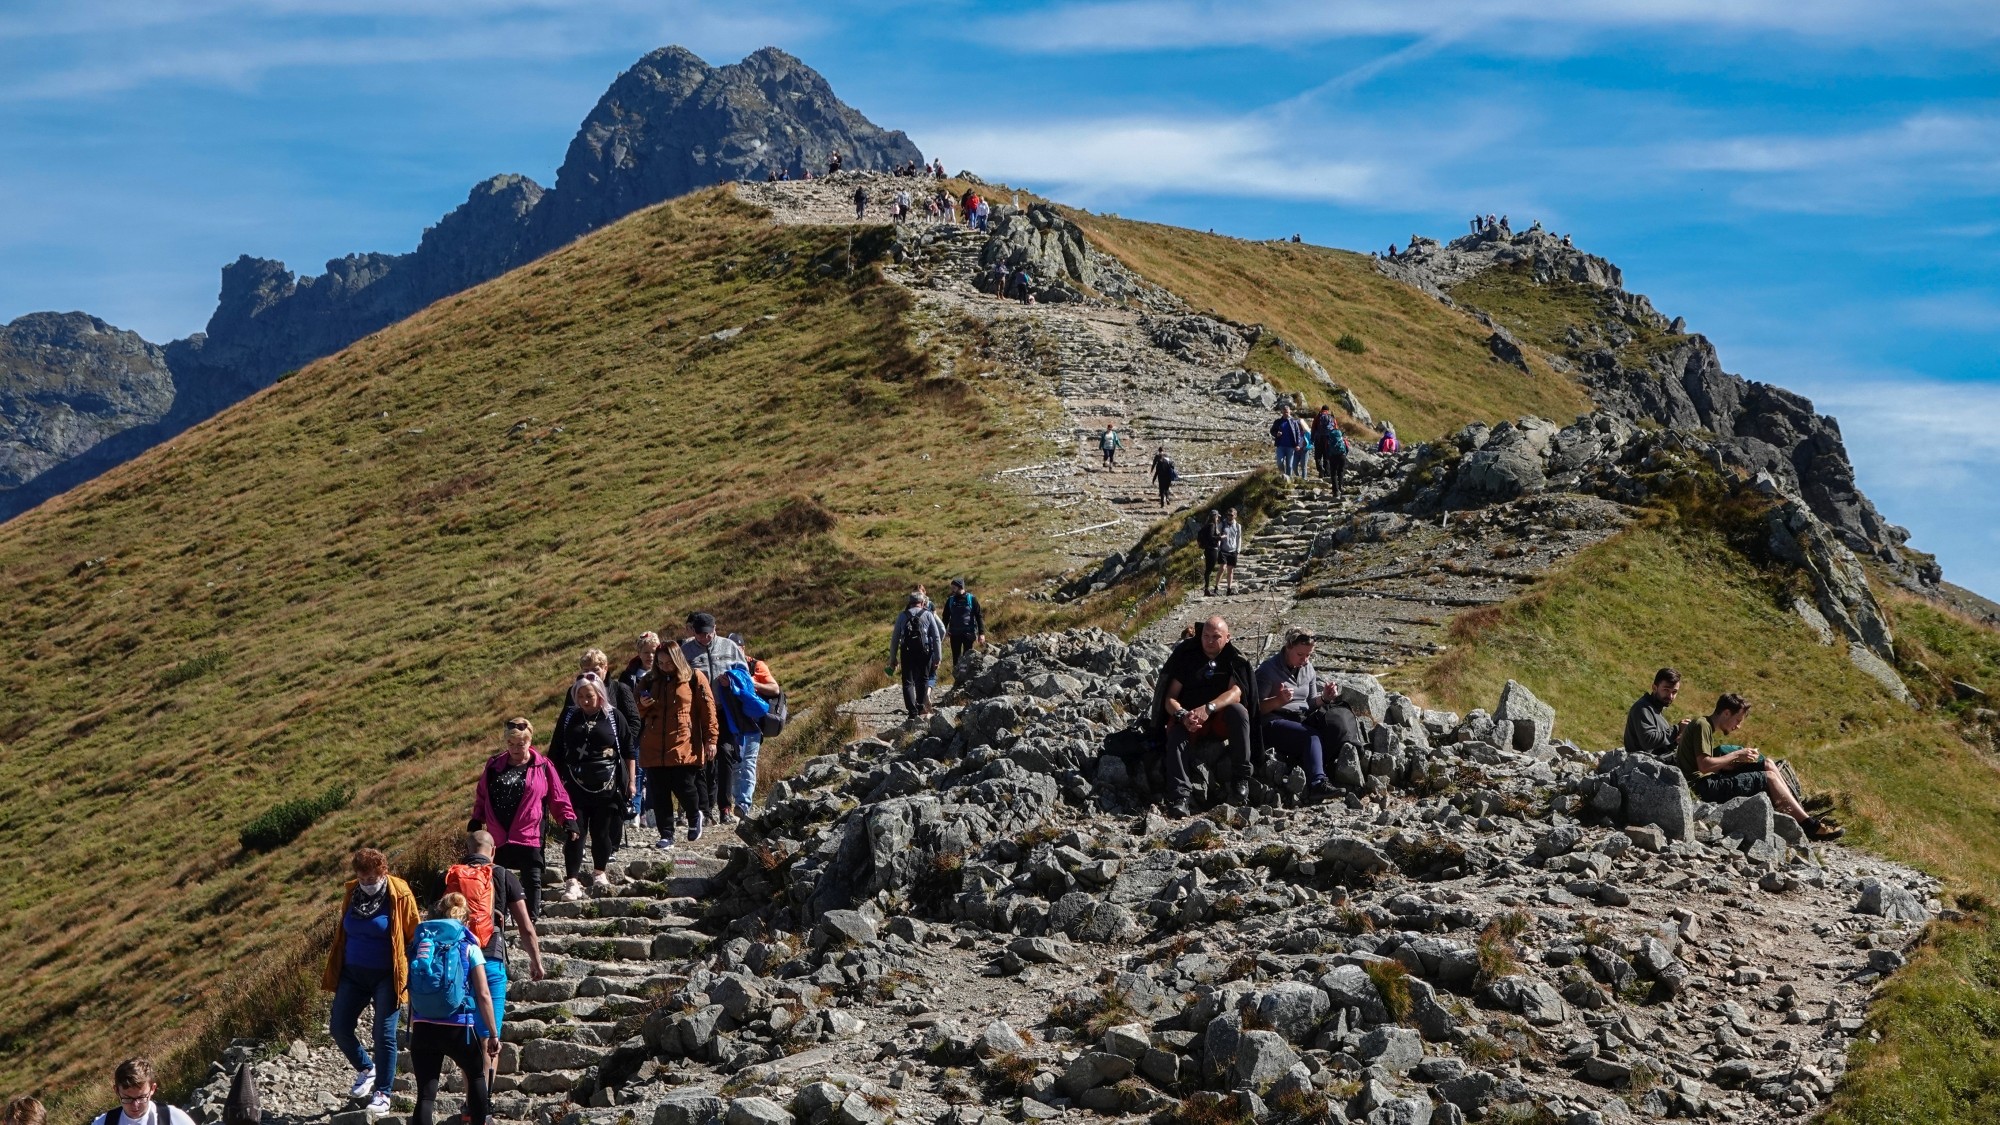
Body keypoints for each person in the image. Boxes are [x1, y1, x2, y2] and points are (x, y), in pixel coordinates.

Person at [320, 847, 420, 1114]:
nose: (366, 882)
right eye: (362, 877)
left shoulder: (400, 893)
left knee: (383, 1034)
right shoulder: (352, 892)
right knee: (339, 1027)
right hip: (352, 973)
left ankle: (383, 1093)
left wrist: (415, 969)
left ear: (383, 871)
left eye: (371, 878)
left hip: (387, 975)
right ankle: (367, 1068)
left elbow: (414, 934)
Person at [449, 830, 544, 1091]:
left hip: (456, 964)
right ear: (493, 851)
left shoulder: (449, 875)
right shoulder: (503, 875)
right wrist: (535, 961)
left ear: (467, 850)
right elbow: (526, 926)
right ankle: (483, 1103)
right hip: (490, 960)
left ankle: (470, 1100)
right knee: (489, 1037)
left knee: (467, 1036)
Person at [1675, 694, 1843, 841]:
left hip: (1707, 781)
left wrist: (1736, 762)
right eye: (1738, 720)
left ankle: (1799, 811)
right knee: (1769, 777)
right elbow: (1704, 766)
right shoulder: (1702, 725)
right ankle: (1810, 827)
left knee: (1767, 764)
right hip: (1703, 787)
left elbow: (1701, 764)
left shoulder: (1704, 724)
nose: (1738, 726)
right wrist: (1736, 755)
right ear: (1726, 713)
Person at [469, 717, 578, 920]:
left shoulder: (542, 766)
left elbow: (558, 796)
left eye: (520, 744)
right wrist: (477, 818)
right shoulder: (494, 765)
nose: (515, 749)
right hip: (498, 833)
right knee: (498, 879)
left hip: (529, 832)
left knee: (532, 879)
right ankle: (498, 922)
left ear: (529, 741)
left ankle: (531, 921)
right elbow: (482, 794)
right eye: (510, 743)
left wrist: (567, 820)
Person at [407, 894, 500, 1125]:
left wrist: (414, 1022)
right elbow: (484, 994)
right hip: (458, 1027)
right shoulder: (469, 946)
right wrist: (493, 1033)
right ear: (465, 920)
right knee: (476, 1077)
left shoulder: (423, 944)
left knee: (425, 1095)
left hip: (423, 1026)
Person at [1152, 616, 1258, 817]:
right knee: (1175, 733)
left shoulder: (1233, 660)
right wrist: (1183, 715)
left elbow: (1236, 692)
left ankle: (1240, 778)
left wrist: (1209, 708)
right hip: (1190, 720)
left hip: (1218, 720)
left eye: (1216, 637)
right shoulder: (1187, 657)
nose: (1209, 641)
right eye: (1206, 636)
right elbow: (1170, 697)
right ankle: (1180, 797)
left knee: (1238, 712)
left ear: (1227, 637)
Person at [638, 639, 718, 846]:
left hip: (684, 741)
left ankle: (694, 816)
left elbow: (708, 711)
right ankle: (666, 835)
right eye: (660, 663)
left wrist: (711, 739)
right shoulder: (648, 680)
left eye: (669, 663)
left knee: (685, 786)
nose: (665, 667)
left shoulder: (694, 678)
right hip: (654, 744)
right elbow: (635, 711)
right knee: (659, 792)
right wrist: (642, 705)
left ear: (678, 660)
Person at [552, 678, 625, 899]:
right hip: (574, 785)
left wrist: (630, 781)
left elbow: (628, 748)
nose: (585, 700)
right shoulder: (569, 717)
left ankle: (599, 873)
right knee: (575, 832)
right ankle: (571, 881)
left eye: (589, 696)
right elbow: (556, 750)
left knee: (602, 832)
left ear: (600, 695)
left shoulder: (613, 717)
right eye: (580, 696)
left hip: (606, 785)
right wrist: (553, 783)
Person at [1256, 630, 1340, 803]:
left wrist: (1325, 697)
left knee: (1334, 727)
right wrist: (1278, 700)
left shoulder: (1308, 668)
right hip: (1273, 722)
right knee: (1311, 736)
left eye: (1308, 655)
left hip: (1300, 718)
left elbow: (1310, 702)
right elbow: (1255, 708)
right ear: (1288, 647)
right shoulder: (1268, 669)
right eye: (1300, 655)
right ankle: (1317, 784)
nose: (1305, 660)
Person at [682, 612, 748, 822]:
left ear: (715, 629)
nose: (705, 638)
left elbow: (744, 674)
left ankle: (725, 807)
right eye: (700, 634)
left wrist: (732, 682)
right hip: (698, 713)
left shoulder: (729, 647)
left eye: (708, 633)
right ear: (693, 632)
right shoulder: (686, 651)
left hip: (725, 710)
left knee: (725, 753)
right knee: (702, 759)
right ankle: (705, 809)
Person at [727, 634, 784, 812]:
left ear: (743, 648)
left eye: (737, 647)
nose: (734, 651)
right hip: (732, 722)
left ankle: (744, 803)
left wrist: (753, 684)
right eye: (730, 648)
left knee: (749, 761)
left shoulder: (756, 666)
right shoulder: (724, 665)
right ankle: (738, 800)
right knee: (736, 764)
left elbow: (775, 688)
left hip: (754, 723)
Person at [888, 592, 944, 721]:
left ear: (910, 603)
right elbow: (936, 637)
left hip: (907, 651)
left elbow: (895, 638)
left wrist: (893, 658)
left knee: (908, 681)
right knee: (923, 679)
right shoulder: (928, 614)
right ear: (923, 603)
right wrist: (938, 657)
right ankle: (920, 707)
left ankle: (911, 712)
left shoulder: (902, 615)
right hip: (924, 651)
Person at [94, 1059, 195, 1125]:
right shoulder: (103, 1123)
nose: (135, 1105)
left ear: (153, 1089)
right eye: (127, 1098)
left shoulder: (171, 1117)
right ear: (116, 1091)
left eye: (141, 1097)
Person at [1623, 667, 1688, 757]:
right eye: (1666, 690)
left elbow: (1659, 748)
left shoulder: (1656, 710)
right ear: (1654, 688)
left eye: (1674, 692)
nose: (1670, 696)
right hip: (1638, 763)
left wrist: (1677, 740)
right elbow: (1648, 741)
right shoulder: (1642, 708)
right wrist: (1677, 729)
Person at [940, 578, 987, 675]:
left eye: (954, 587)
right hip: (954, 634)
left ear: (960, 587)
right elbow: (945, 618)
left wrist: (981, 633)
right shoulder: (950, 600)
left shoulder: (972, 599)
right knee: (956, 658)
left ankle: (964, 677)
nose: (952, 589)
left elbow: (979, 616)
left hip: (968, 634)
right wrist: (943, 631)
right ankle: (957, 678)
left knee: (967, 657)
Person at [1314, 407, 1349, 495]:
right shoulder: (1332, 418)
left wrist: (1312, 438)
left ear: (1322, 410)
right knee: (1340, 471)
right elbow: (1346, 446)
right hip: (1341, 454)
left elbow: (1313, 427)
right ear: (1328, 410)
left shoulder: (1318, 416)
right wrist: (1345, 454)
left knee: (1318, 456)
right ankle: (1339, 486)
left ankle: (1335, 491)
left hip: (1319, 440)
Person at [1269, 405, 1305, 478]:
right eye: (1284, 412)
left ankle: (1289, 479)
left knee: (1289, 465)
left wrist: (1297, 444)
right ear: (1282, 412)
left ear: (1290, 412)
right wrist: (1276, 434)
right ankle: (1283, 476)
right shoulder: (1278, 422)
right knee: (1280, 462)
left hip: (1290, 446)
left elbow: (1298, 433)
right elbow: (1272, 431)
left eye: (1287, 412)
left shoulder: (1293, 422)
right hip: (1280, 446)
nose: (1286, 414)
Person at [1216, 508, 1242, 595]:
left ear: (1235, 516)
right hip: (1223, 550)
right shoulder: (1222, 524)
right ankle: (1216, 587)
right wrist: (1218, 546)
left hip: (1233, 550)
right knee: (1222, 568)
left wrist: (1238, 549)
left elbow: (1239, 538)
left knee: (1230, 570)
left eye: (1231, 515)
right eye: (1228, 515)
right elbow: (1217, 533)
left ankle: (1229, 588)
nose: (1229, 516)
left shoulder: (1238, 526)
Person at [1198, 510, 1223, 597]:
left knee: (1208, 570)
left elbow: (1201, 534)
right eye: (1217, 517)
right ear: (1215, 517)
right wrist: (1220, 537)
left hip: (1207, 549)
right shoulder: (1212, 525)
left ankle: (1206, 589)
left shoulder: (1206, 525)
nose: (1218, 518)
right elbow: (1211, 537)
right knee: (1209, 570)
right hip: (1212, 549)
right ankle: (1207, 590)